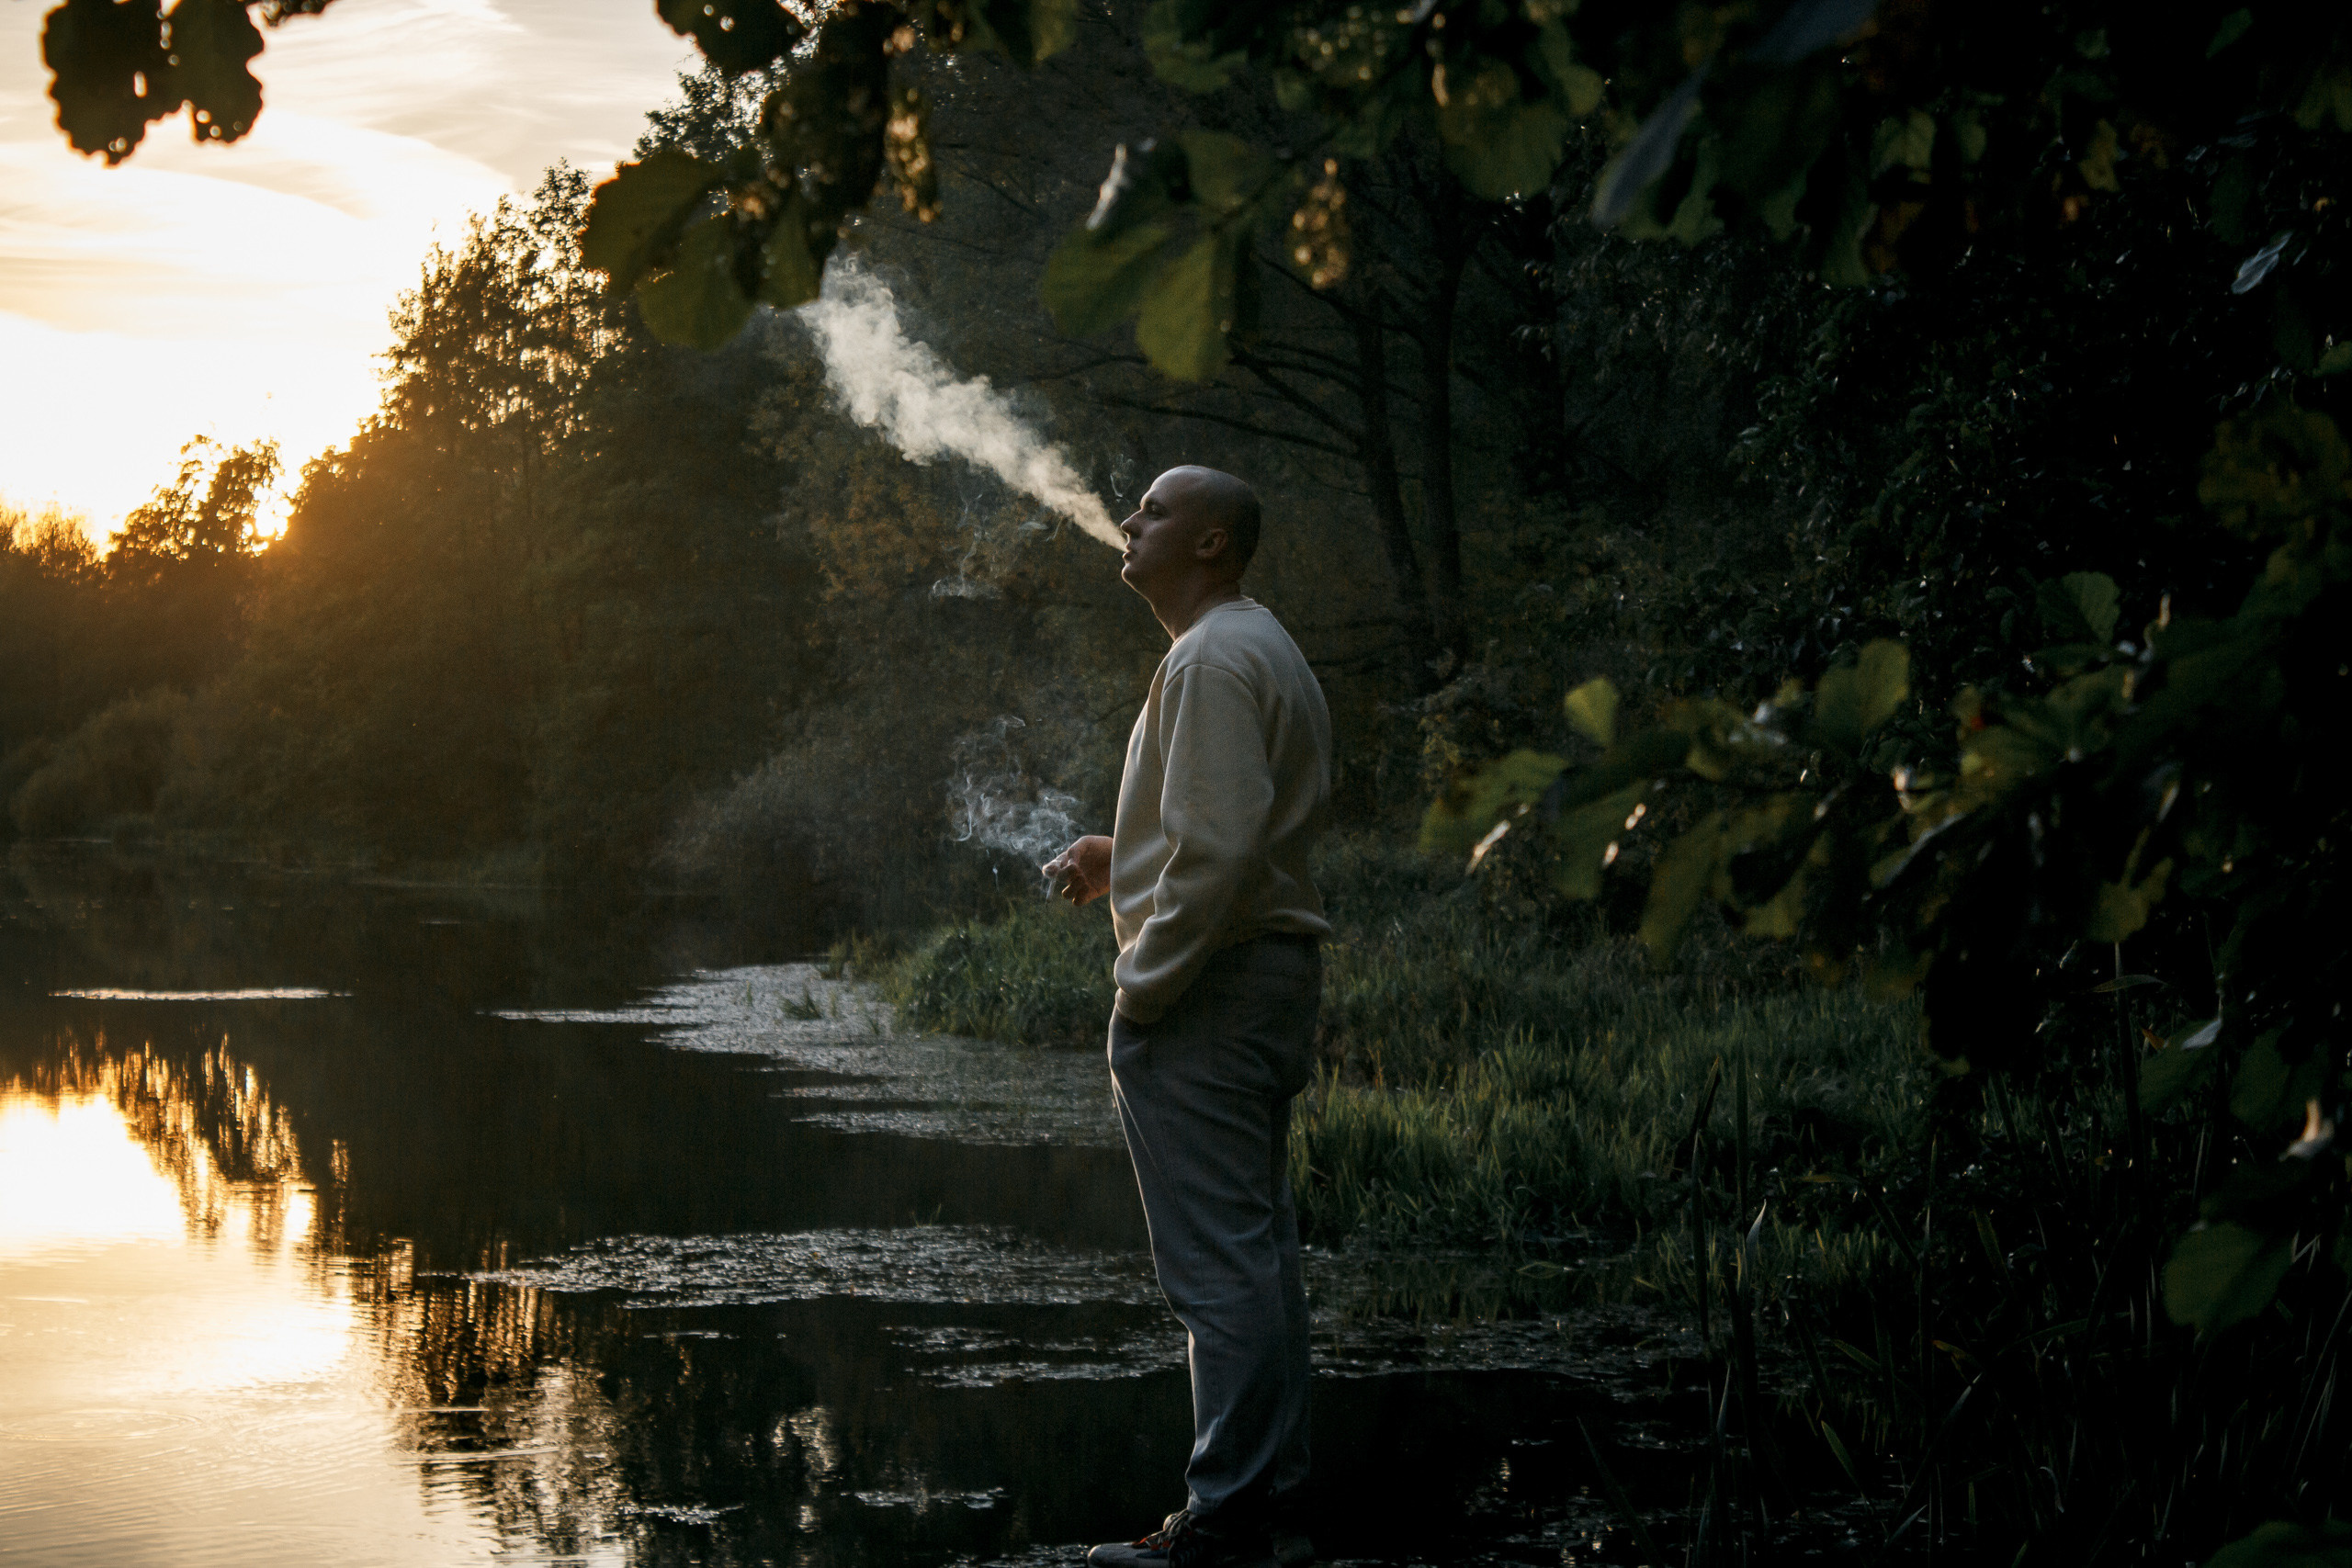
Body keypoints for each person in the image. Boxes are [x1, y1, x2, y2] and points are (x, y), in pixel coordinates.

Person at [1043, 466, 1332, 1568]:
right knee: (1253, 1258)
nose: (1129, 522)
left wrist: (1141, 987)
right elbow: (1231, 831)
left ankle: (1230, 1522)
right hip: (1259, 974)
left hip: (1212, 989)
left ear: (1212, 544)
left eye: (1155, 512)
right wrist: (1125, 862)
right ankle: (1268, 1505)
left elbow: (1217, 855)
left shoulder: (1209, 660)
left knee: (1217, 1269)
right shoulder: (1256, 644)